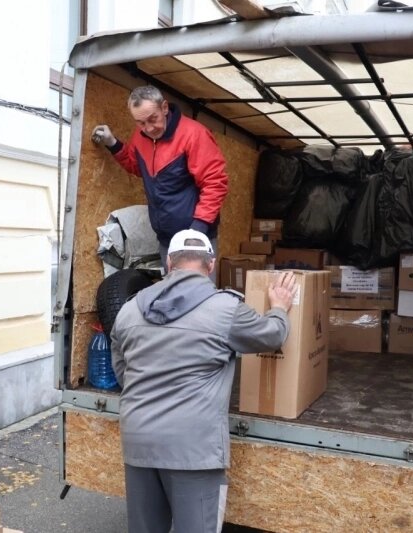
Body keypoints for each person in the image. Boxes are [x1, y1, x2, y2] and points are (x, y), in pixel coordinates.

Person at [109, 229, 296, 533]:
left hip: (139, 440)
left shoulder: (129, 310)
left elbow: (122, 370)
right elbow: (272, 335)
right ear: (211, 265)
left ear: (169, 263)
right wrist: (279, 307)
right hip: (192, 449)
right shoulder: (226, 309)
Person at [92, 86, 229, 280]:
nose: (148, 128)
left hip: (195, 238)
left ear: (164, 108)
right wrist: (112, 143)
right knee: (173, 292)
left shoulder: (193, 134)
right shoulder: (141, 137)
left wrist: (197, 230)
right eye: (140, 122)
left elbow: (214, 182)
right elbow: (136, 166)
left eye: (153, 119)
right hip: (166, 239)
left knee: (199, 293)